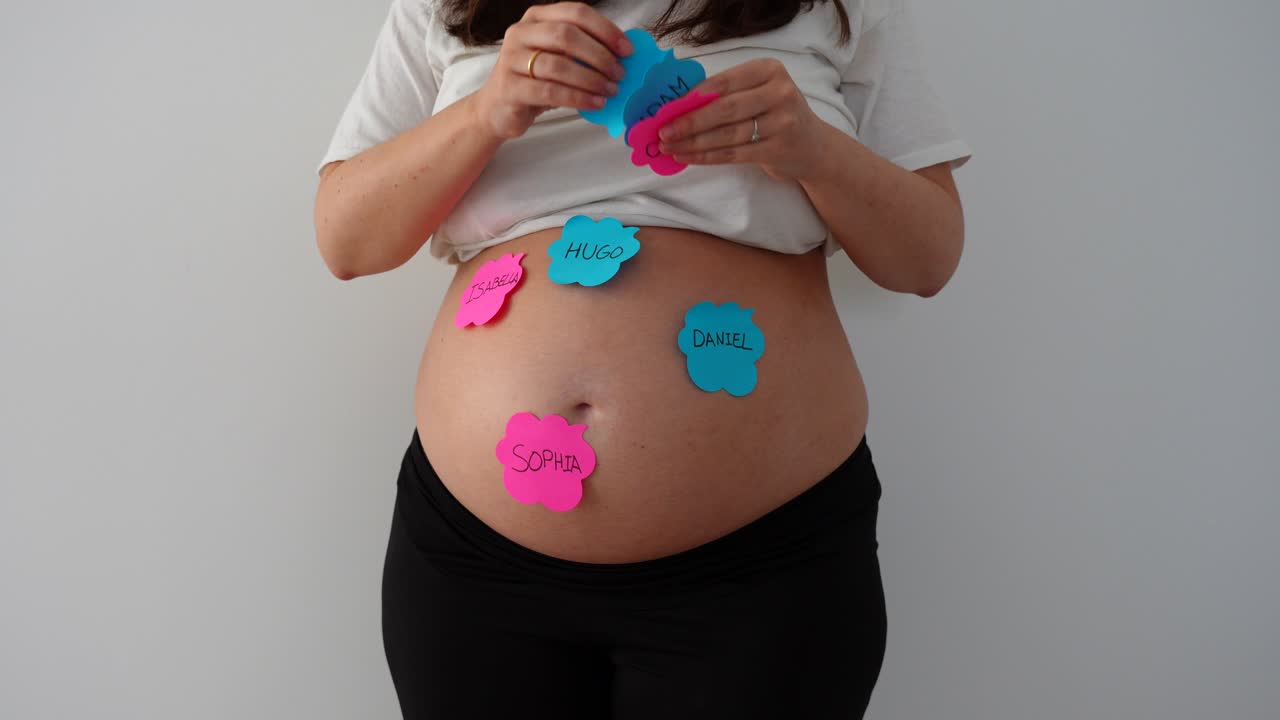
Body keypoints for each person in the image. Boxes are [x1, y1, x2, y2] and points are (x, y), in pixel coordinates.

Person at [313, 0, 970, 717]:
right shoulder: (447, 7)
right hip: (475, 567)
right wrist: (488, 111)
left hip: (760, 570)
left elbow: (926, 260)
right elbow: (347, 242)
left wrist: (815, 150)